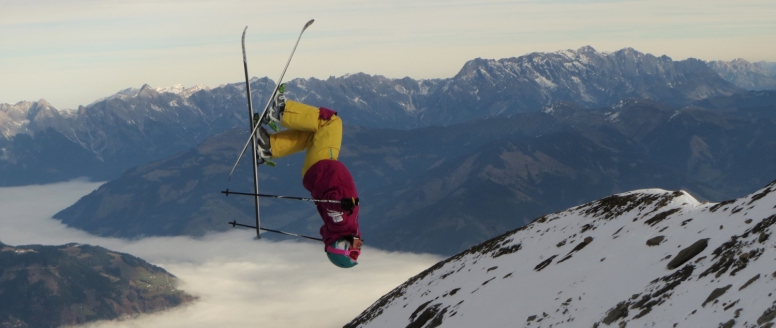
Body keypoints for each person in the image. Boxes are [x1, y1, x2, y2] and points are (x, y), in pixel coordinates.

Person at [256, 89, 362, 268]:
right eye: (357, 253)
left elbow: (333, 210)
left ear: (341, 247)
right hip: (321, 170)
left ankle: (280, 111)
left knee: (331, 123)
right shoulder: (346, 229)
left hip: (322, 169)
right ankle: (269, 146)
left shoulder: (340, 225)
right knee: (315, 133)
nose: (358, 250)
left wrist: (341, 203)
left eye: (353, 252)